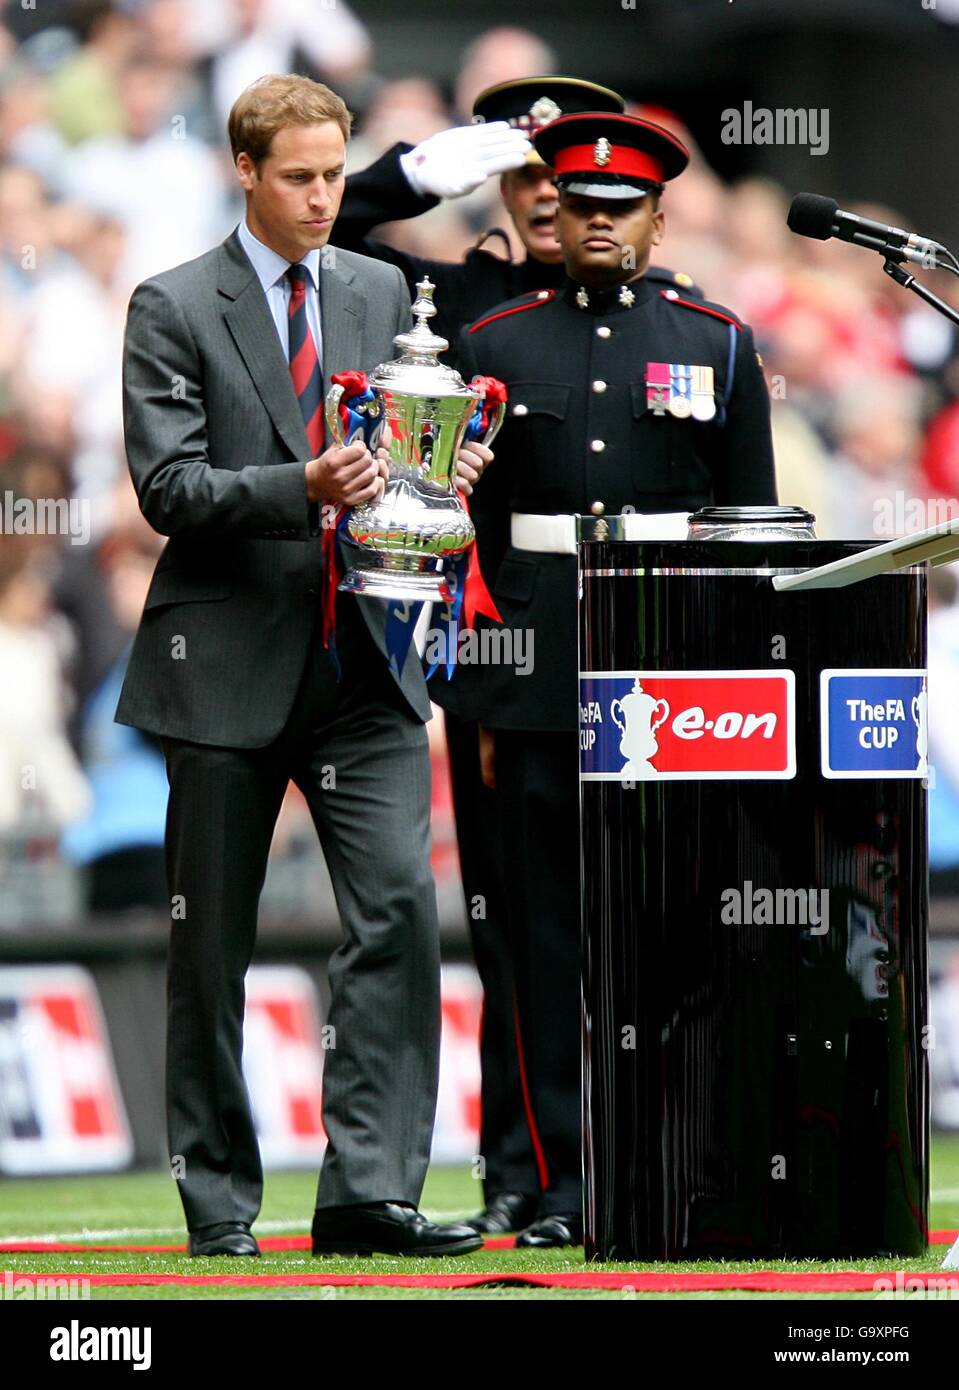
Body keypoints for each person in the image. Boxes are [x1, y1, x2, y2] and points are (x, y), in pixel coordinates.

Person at [116, 72, 491, 1259]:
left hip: (368, 665)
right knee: (208, 947)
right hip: (221, 658)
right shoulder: (172, 303)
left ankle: (366, 1193)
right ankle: (219, 1202)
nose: (324, 196)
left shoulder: (389, 292)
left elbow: (413, 466)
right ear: (244, 170)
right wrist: (303, 487)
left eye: (335, 174)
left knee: (396, 911)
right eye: (299, 177)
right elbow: (167, 488)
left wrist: (448, 483)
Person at [331, 77, 705, 1237]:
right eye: (536, 176)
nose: (559, 201)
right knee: (519, 935)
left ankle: (651, 1158)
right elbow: (323, 240)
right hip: (515, 657)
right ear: (500, 182)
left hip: (646, 658)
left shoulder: (685, 321)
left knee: (647, 934)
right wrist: (407, 176)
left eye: (582, 184)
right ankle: (523, 1169)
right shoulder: (462, 306)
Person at [454, 111, 778, 1247]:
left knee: (671, 926)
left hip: (669, 653)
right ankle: (555, 1184)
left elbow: (751, 525)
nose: (596, 222)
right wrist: (479, 686)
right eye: (580, 206)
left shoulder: (717, 339)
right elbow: (465, 537)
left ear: (655, 214)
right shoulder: (492, 341)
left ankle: (672, 1158)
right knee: (543, 933)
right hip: (535, 660)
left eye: (618, 207)